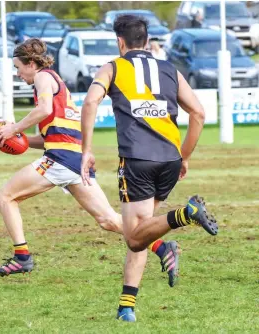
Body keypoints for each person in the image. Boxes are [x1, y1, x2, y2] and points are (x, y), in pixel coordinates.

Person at [0, 38, 180, 287]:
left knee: (5, 197)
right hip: (74, 159)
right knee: (109, 220)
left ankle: (22, 256)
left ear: (32, 63)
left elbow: (44, 109)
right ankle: (163, 248)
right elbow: (52, 135)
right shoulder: (55, 81)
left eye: (18, 67)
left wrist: (13, 129)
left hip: (61, 160)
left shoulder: (43, 78)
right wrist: (22, 140)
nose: (17, 73)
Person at [80, 15, 218, 322]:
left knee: (133, 236)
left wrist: (86, 150)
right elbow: (198, 113)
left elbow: (90, 103)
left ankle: (185, 214)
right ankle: (126, 307)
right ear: (146, 40)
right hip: (169, 159)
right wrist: (184, 156)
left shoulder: (114, 67)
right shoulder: (169, 68)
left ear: (120, 42)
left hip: (138, 160)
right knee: (142, 230)